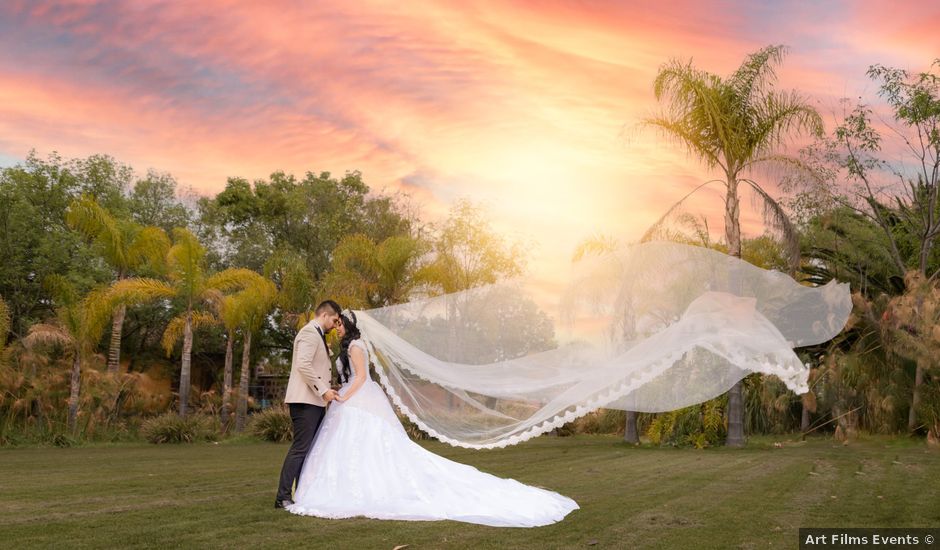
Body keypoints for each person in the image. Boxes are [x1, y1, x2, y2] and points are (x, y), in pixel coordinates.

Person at [285, 309, 579, 527]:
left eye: (340, 323)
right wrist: (337, 392)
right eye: (335, 323)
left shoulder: (357, 346)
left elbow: (362, 377)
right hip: (345, 399)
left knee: (372, 445)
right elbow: (349, 376)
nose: (336, 327)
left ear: (349, 324)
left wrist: (343, 398)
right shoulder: (345, 347)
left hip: (357, 400)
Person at [274, 299, 343, 509]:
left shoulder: (318, 336)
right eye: (334, 320)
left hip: (314, 401)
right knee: (300, 449)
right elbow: (303, 365)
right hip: (305, 401)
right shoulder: (308, 333)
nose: (335, 325)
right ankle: (282, 497)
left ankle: (300, 492)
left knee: (308, 449)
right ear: (324, 315)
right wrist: (323, 390)